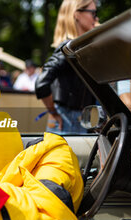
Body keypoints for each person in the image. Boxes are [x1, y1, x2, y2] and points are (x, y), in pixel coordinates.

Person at [35, 0, 98, 134]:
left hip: (78, 120)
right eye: (93, 13)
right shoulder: (69, 48)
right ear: (77, 15)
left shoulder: (78, 48)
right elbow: (41, 83)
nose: (96, 18)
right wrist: (53, 111)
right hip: (66, 121)